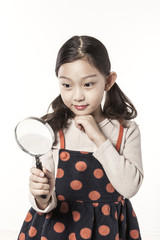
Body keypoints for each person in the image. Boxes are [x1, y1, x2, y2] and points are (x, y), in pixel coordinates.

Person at [18, 35, 143, 240]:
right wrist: (41, 195)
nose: (77, 96)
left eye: (88, 84)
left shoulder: (127, 130)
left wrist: (98, 138)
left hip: (108, 231)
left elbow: (129, 188)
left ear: (108, 81)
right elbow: (43, 205)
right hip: (56, 231)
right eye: (67, 85)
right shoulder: (52, 130)